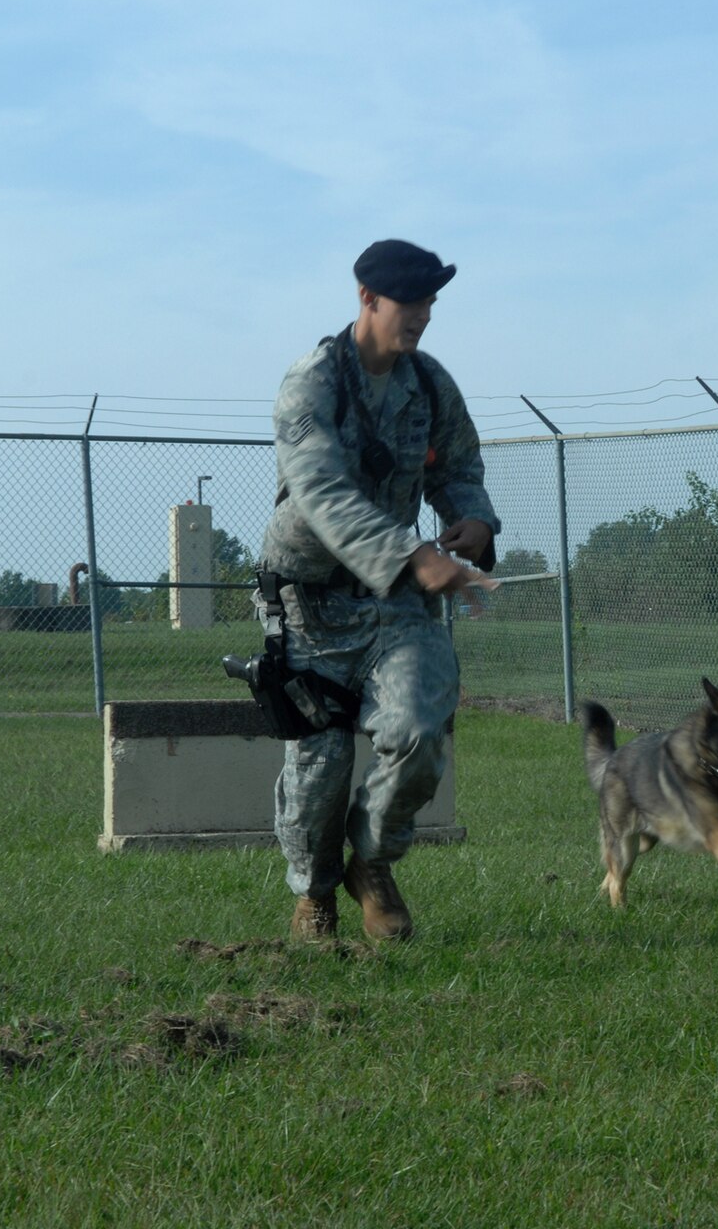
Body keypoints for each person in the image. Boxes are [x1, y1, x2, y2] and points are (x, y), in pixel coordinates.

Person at [255, 238, 499, 941]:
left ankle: (374, 862)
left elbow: (459, 463)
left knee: (421, 731)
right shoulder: (313, 383)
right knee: (319, 770)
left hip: (396, 605)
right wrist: (411, 552)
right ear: (367, 299)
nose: (421, 315)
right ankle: (315, 895)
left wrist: (473, 519)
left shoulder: (428, 384)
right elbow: (320, 490)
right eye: (409, 301)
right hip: (309, 605)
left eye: (429, 302)